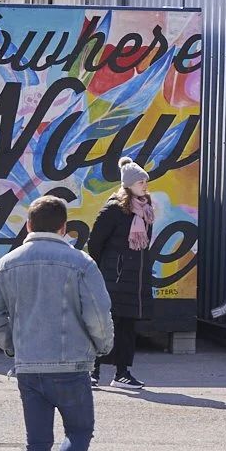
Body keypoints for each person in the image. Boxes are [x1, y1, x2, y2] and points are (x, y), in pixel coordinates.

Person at [0, 194, 113, 451]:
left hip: (29, 366)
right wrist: (103, 346)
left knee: (37, 442)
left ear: (29, 224)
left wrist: (13, 346)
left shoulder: (6, 264)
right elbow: (97, 314)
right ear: (64, 227)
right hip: (72, 365)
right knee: (79, 430)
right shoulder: (81, 263)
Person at [85, 156, 155, 390]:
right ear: (128, 185)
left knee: (127, 325)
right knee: (104, 323)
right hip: (113, 277)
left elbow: (145, 243)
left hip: (135, 279)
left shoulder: (146, 209)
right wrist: (108, 267)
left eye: (145, 182)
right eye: (140, 182)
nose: (145, 185)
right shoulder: (113, 209)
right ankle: (92, 370)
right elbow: (95, 243)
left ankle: (122, 372)